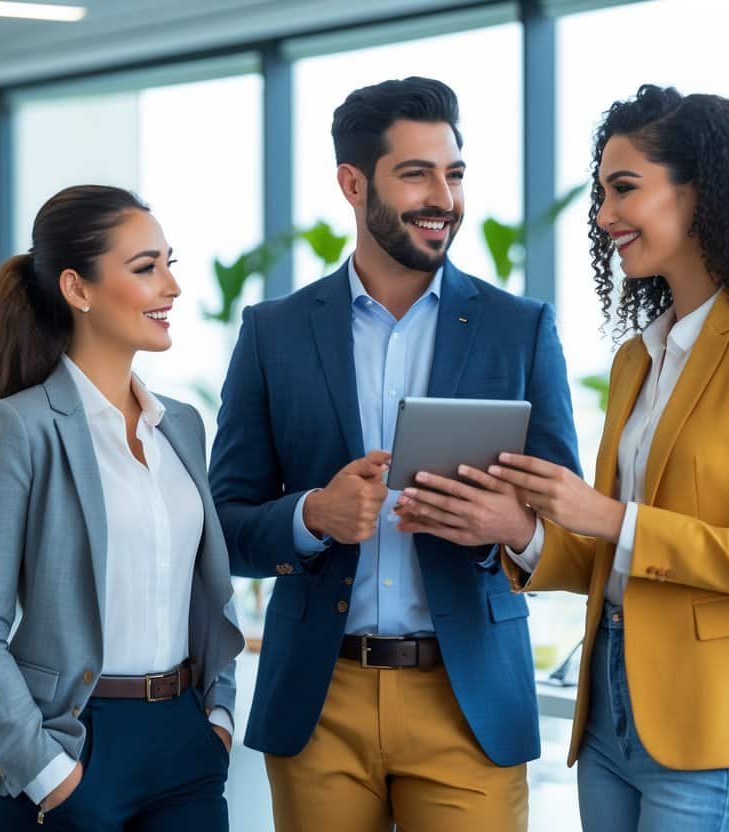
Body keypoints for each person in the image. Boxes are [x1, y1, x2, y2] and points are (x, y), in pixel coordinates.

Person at [400, 84, 729, 830]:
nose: (602, 216)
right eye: (598, 194)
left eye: (623, 190)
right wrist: (516, 529)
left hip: (711, 724)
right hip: (610, 712)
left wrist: (609, 514)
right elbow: (615, 556)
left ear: (701, 192)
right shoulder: (636, 360)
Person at [208, 77, 580, 831]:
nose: (442, 196)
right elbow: (224, 526)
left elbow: (565, 529)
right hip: (320, 700)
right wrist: (312, 515)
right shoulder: (273, 332)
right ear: (353, 183)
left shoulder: (519, 329)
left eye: (453, 173)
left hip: (466, 698)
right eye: (415, 173)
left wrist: (509, 528)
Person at [0, 185, 244, 830]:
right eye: (146, 268)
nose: (171, 287)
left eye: (170, 263)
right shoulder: (19, 428)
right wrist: (50, 777)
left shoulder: (183, 425)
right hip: (74, 744)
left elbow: (204, 592)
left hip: (184, 744)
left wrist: (217, 718)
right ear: (77, 289)